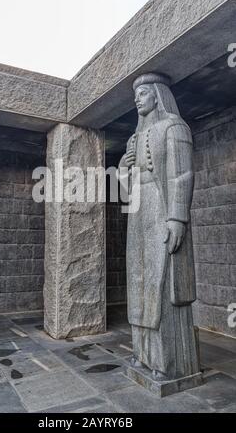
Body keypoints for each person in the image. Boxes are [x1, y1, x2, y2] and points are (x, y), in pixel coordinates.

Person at [119, 73, 200, 380]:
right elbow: (128, 187)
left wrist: (178, 217)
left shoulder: (175, 127)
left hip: (162, 210)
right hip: (139, 215)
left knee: (160, 284)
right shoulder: (134, 138)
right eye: (135, 94)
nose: (137, 99)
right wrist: (126, 170)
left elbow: (182, 175)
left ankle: (168, 363)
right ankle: (143, 355)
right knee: (139, 282)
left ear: (156, 94)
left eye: (142, 93)